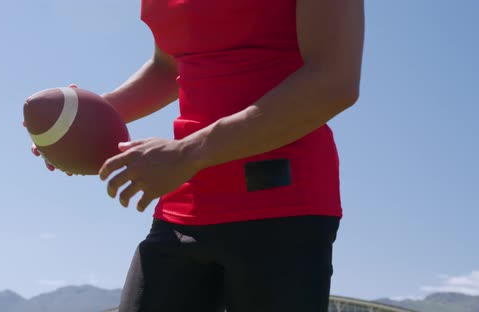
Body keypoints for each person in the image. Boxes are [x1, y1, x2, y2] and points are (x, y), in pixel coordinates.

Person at [32, 0, 364, 311]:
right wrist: (85, 121)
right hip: (186, 199)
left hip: (282, 201)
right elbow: (169, 66)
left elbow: (333, 81)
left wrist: (190, 152)